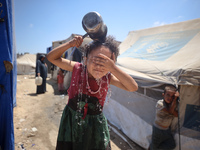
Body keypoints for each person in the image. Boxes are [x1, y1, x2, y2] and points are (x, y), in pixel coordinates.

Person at [47, 35, 138, 150]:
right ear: (85, 59)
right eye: (95, 60)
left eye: (105, 63)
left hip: (95, 126)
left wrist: (113, 68)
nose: (99, 66)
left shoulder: (107, 78)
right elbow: (51, 58)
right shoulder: (77, 68)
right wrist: (70, 44)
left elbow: (133, 87)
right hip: (71, 121)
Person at [150, 84, 179, 150]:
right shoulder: (160, 103)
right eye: (168, 95)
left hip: (167, 130)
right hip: (158, 129)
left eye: (172, 96)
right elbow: (170, 111)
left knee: (171, 145)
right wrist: (175, 99)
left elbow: (177, 115)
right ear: (163, 95)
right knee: (154, 146)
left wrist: (174, 102)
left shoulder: (172, 106)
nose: (170, 98)